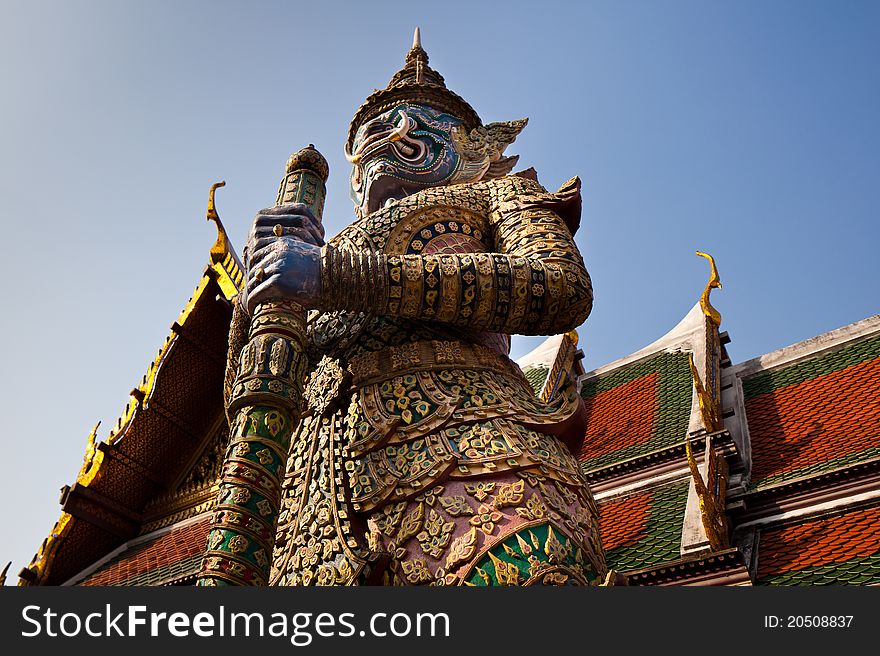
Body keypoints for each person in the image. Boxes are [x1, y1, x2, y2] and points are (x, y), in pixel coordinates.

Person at [243, 31, 607, 586]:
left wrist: (337, 277)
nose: (388, 137)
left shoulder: (494, 195)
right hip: (313, 505)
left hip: (470, 448)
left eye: (409, 122)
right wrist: (257, 304)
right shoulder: (319, 248)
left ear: (467, 146)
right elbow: (253, 408)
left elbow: (559, 286)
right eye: (371, 132)